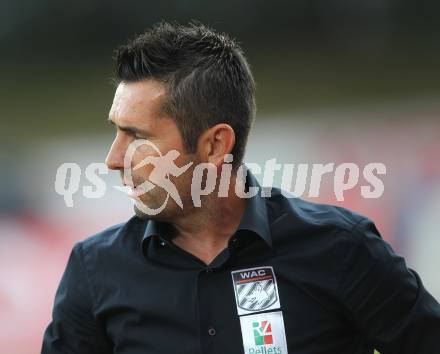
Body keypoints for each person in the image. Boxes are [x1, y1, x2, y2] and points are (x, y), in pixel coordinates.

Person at [41, 21, 440, 354]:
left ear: (215, 145)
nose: (113, 158)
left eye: (137, 137)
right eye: (116, 131)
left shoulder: (342, 249)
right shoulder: (95, 272)